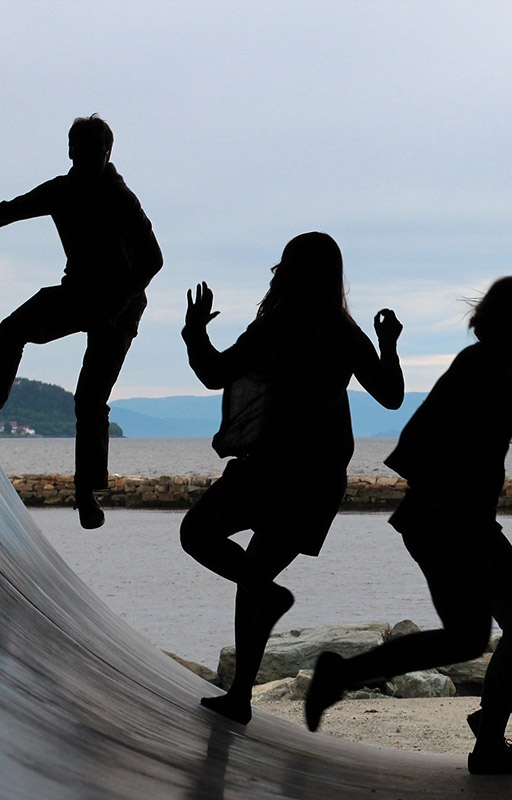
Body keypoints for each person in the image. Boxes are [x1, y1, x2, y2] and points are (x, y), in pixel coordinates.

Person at [305, 276, 512, 775]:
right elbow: (464, 436)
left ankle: (344, 675)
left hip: (442, 521)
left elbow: (481, 430)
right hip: (453, 522)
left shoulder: (486, 367)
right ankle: (487, 739)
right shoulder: (484, 368)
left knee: (469, 638)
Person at [182, 232, 404, 727]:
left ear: (287, 271)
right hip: (319, 477)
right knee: (256, 575)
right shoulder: (344, 332)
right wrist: (389, 345)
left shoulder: (276, 325)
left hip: (271, 466)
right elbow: (391, 395)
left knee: (197, 534)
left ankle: (244, 681)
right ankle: (241, 687)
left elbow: (215, 373)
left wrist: (194, 331)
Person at [0, 114, 163, 529]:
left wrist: (119, 302)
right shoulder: (62, 191)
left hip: (121, 307)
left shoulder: (121, 198)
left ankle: (85, 493)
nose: (82, 158)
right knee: (12, 330)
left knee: (90, 399)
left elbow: (153, 260)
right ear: (69, 151)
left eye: (91, 152)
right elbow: (0, 214)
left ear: (106, 153)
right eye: (76, 151)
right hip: (79, 294)